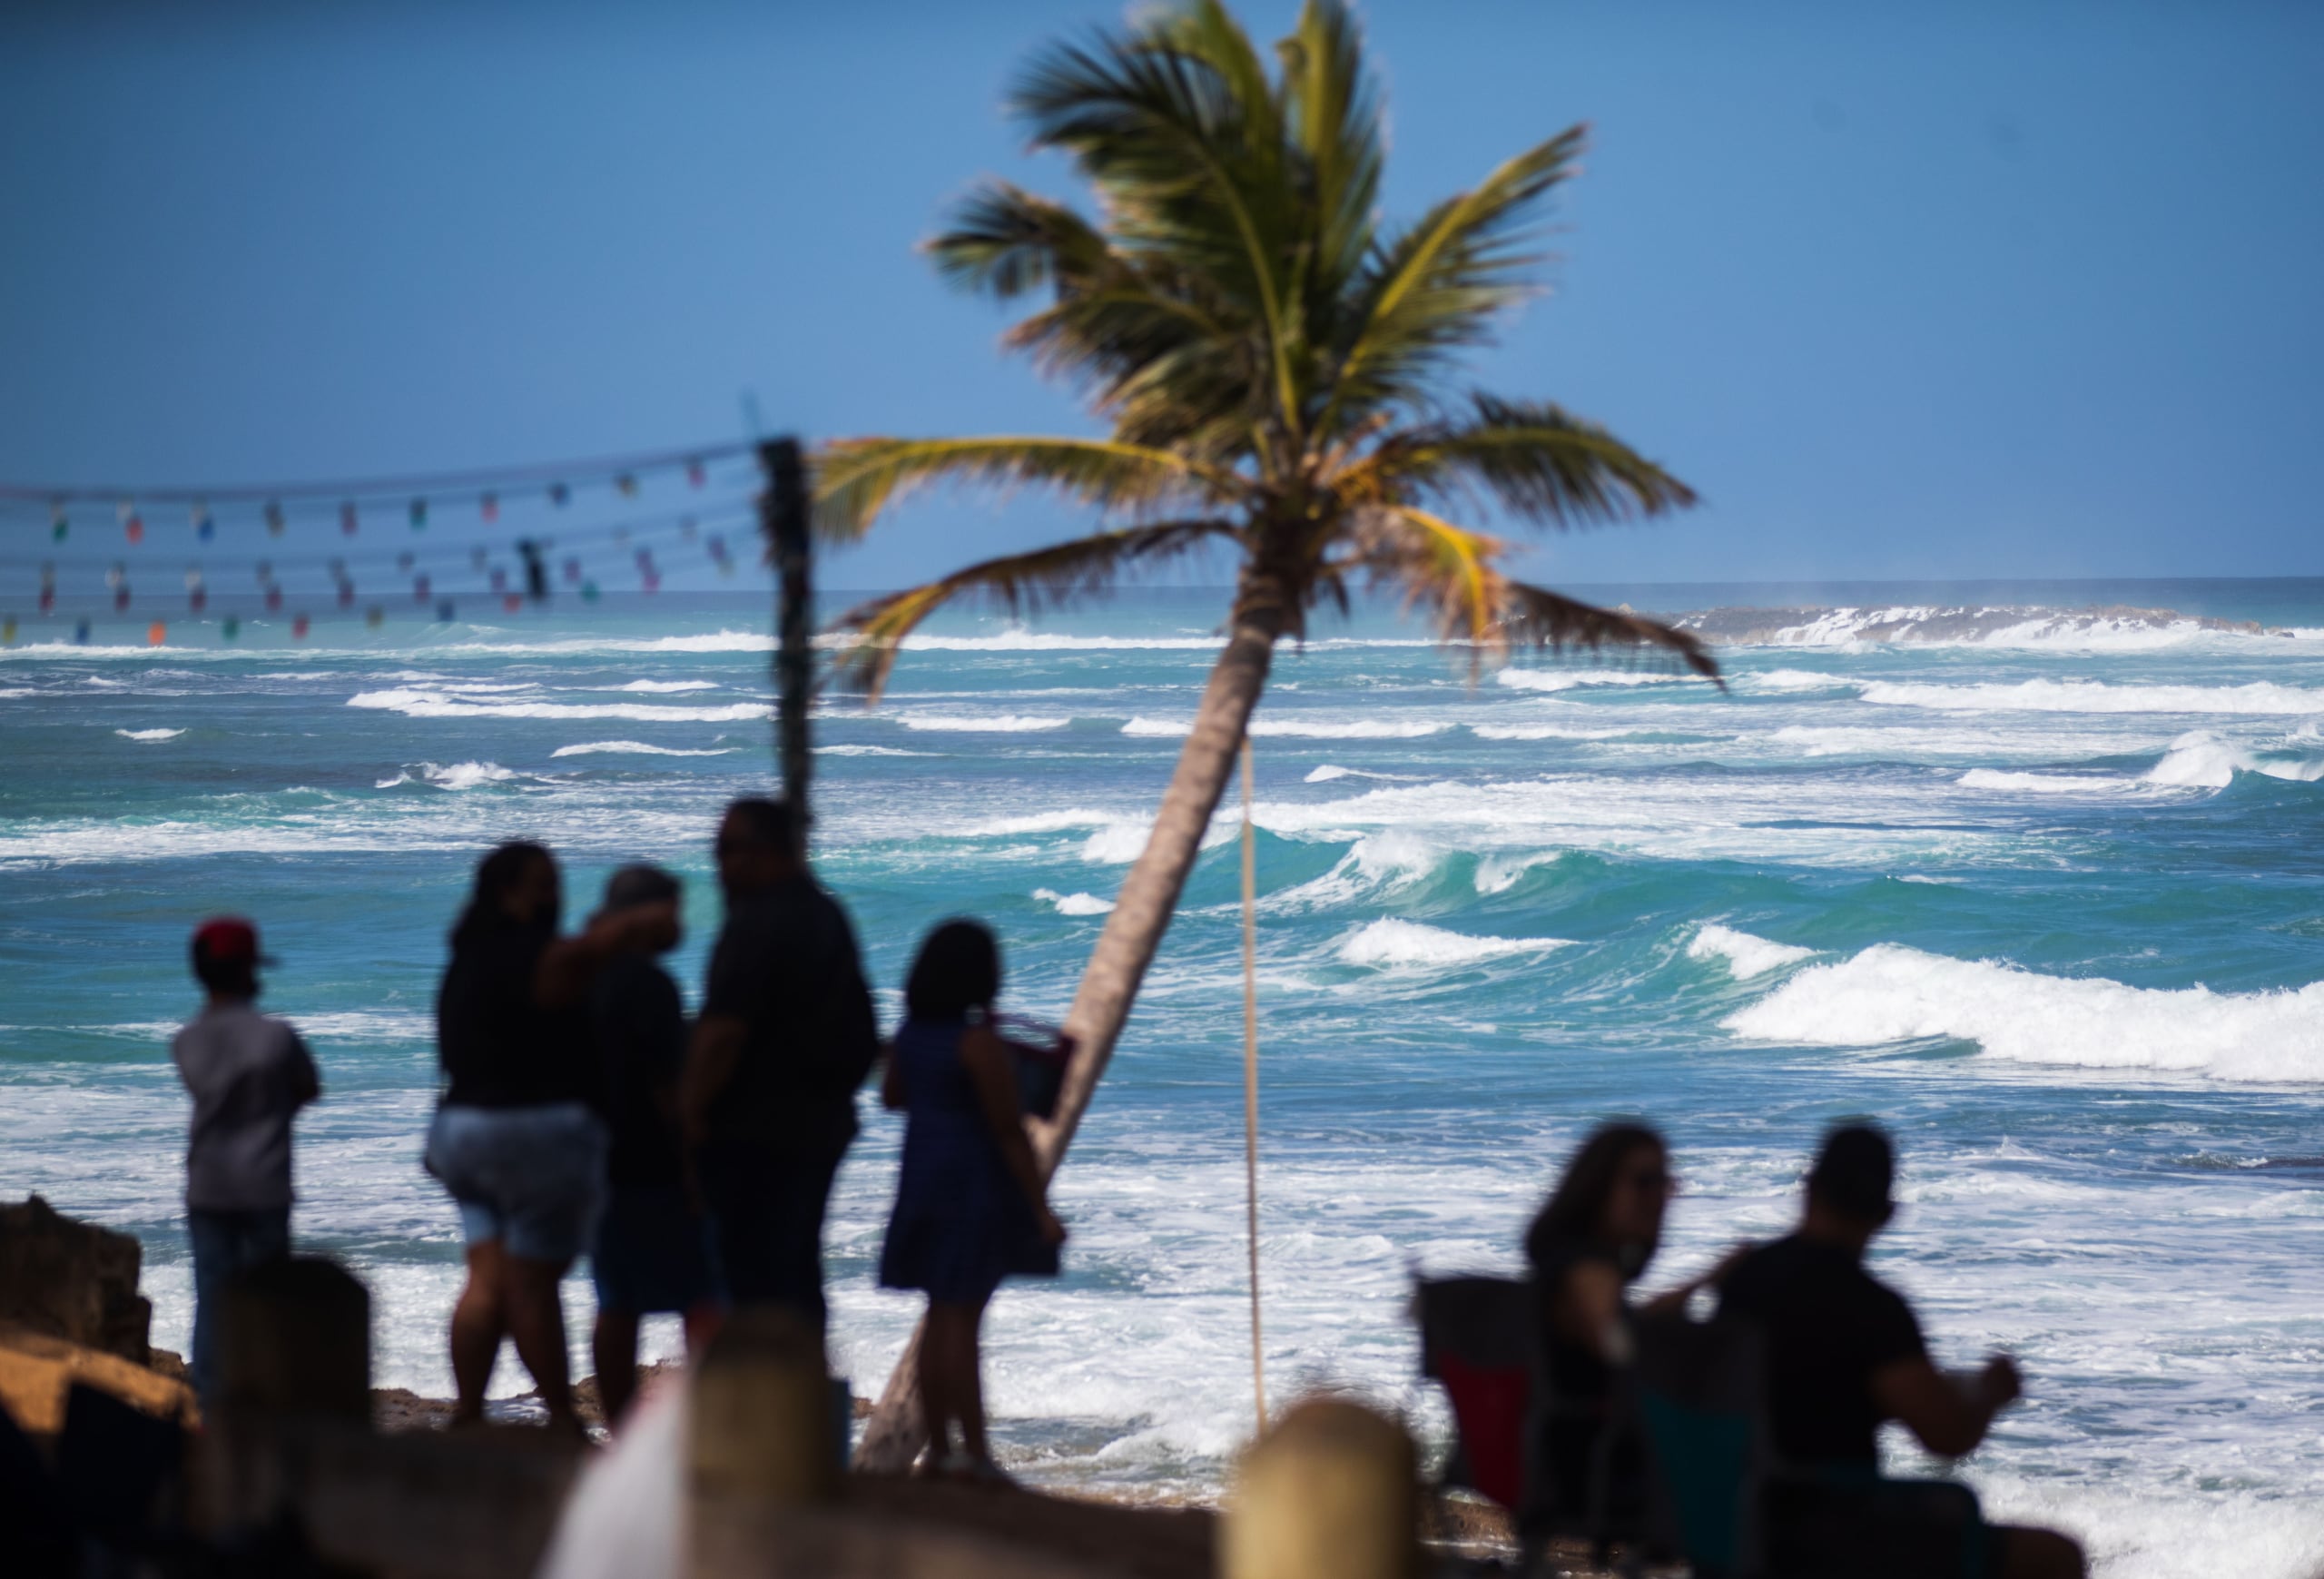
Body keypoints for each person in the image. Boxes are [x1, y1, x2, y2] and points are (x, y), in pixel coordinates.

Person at [1716, 1124, 2087, 1579]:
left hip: (1735, 1523)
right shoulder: (1871, 1307)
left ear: (1808, 1189)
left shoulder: (1742, 1281)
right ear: (1887, 1213)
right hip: (1831, 1534)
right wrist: (1992, 1392)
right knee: (2055, 1557)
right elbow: (1947, 1438)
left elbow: (1808, 1388)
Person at [426, 841, 677, 1432]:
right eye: (540, 884)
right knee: (533, 1283)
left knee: (486, 1280)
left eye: (555, 881)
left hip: (460, 1132)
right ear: (506, 893)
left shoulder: (468, 958)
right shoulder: (532, 956)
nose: (554, 895)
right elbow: (581, 958)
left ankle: (467, 1414)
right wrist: (633, 922)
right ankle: (563, 1418)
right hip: (530, 1135)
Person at [680, 798, 878, 1334]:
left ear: (770, 852)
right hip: (817, 1123)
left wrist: (689, 1116)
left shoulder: (760, 921)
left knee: (754, 1279)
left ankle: (769, 1400)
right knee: (794, 1272)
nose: (721, 864)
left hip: (759, 1133)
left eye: (730, 850)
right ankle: (801, 1393)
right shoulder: (823, 912)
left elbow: (724, 1032)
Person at [877, 921, 1067, 1481]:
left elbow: (892, 1098)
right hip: (970, 1183)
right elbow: (1009, 1130)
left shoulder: (912, 1035)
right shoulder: (977, 1043)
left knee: (940, 1315)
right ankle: (976, 1457)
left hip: (921, 1179)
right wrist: (1039, 1210)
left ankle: (940, 1449)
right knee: (963, 1320)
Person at [1521, 1122, 1729, 1532]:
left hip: (1546, 1460)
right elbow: (1619, 1347)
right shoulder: (1589, 1272)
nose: (1656, 1197)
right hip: (1599, 1474)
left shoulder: (1562, 1265)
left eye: (1663, 1182)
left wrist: (1701, 1284)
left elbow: (1616, 1325)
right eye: (1643, 1181)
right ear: (1599, 1186)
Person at [585, 864, 723, 1428]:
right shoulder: (650, 985)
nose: (679, 923)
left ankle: (618, 1427)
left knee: (617, 1300)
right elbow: (670, 1091)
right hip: (652, 1160)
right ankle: (711, 1423)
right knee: (701, 1296)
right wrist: (694, 1166)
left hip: (597, 1158)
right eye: (672, 909)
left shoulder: (586, 980)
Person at [171, 916, 320, 1406]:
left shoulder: (186, 1040)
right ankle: (268, 1402)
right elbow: (309, 1087)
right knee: (266, 1299)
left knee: (212, 1299)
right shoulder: (277, 1036)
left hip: (209, 1185)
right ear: (248, 973)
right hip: (264, 1184)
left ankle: (211, 1407)